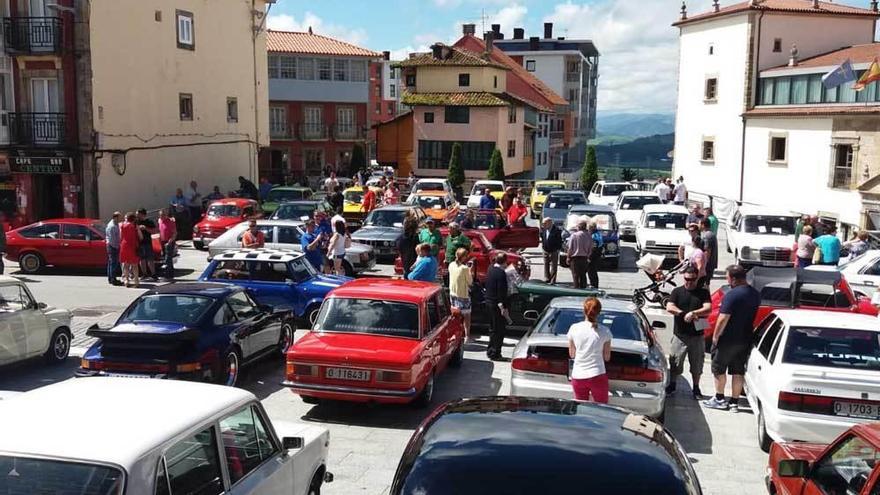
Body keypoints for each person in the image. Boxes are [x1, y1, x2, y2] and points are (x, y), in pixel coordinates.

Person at [703, 265, 761, 413]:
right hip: (745, 339)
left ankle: (720, 399)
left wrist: (715, 337)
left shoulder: (732, 295)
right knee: (738, 371)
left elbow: (723, 319)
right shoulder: (755, 294)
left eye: (727, 277)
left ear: (734, 279)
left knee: (718, 369)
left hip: (727, 340)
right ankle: (734, 402)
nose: (727, 280)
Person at [665, 266, 712, 399]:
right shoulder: (677, 291)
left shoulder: (703, 292)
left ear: (696, 278)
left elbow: (708, 308)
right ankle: (672, 384)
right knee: (675, 362)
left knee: (697, 364)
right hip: (680, 335)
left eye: (691, 279)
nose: (688, 282)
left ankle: (696, 388)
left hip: (697, 335)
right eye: (686, 279)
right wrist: (683, 313)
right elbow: (670, 306)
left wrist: (694, 313)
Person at [567, 297, 612, 403]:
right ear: (599, 312)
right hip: (597, 375)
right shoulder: (605, 331)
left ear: (584, 311)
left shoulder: (574, 328)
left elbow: (572, 354)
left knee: (581, 408)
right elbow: (607, 357)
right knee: (602, 408)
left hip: (578, 375)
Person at [484, 252, 510, 361]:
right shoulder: (501, 273)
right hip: (497, 305)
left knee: (492, 328)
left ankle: (490, 350)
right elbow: (501, 292)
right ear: (504, 262)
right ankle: (495, 353)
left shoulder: (490, 269)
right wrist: (504, 307)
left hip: (489, 302)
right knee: (499, 330)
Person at [448, 247, 474, 340]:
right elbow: (470, 282)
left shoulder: (451, 265)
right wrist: (470, 271)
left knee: (455, 316)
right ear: (463, 257)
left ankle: (454, 333)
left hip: (453, 293)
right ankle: (467, 335)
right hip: (463, 295)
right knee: (467, 316)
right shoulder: (465, 268)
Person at [567, 218, 593, 289]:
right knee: (583, 275)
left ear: (579, 227)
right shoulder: (589, 236)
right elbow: (590, 248)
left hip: (575, 259)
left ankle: (576, 290)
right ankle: (583, 290)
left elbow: (570, 248)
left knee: (575, 275)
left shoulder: (574, 235)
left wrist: (568, 257)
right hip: (584, 258)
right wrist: (588, 256)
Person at [119, 212, 141, 288]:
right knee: (135, 265)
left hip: (124, 245)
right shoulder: (134, 226)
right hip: (133, 245)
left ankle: (126, 280)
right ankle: (136, 281)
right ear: (133, 219)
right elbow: (141, 237)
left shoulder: (122, 225)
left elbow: (121, 236)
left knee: (125, 264)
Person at [136, 208, 158, 282]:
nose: (137, 215)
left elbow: (154, 231)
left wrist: (145, 228)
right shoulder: (136, 222)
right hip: (139, 243)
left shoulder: (149, 222)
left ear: (143, 214)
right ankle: (144, 274)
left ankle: (153, 274)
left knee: (150, 259)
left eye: (138, 214)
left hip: (147, 242)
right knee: (142, 259)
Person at [398, 212, 420, 279]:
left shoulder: (401, 238)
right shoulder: (415, 237)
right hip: (413, 264)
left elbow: (399, 249)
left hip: (407, 264)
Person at [540, 217, 562, 283]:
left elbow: (559, 241)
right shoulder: (544, 230)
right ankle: (547, 278)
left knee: (554, 266)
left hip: (554, 251)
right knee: (546, 264)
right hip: (545, 250)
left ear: (549, 223)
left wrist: (558, 249)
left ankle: (553, 280)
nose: (543, 225)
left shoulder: (556, 230)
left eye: (544, 223)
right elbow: (542, 237)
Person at [158, 208, 177, 281]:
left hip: (169, 241)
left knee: (168, 258)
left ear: (166, 215)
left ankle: (168, 275)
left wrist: (169, 242)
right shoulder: (160, 221)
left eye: (163, 215)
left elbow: (175, 233)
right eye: (160, 215)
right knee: (165, 258)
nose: (161, 216)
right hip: (162, 241)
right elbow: (160, 232)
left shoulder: (170, 221)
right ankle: (170, 274)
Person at [699, 218, 717, 288]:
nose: (698, 225)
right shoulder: (711, 234)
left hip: (708, 265)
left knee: (704, 285)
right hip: (711, 264)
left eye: (699, 223)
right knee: (706, 284)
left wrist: (704, 265)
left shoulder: (707, 236)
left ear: (703, 225)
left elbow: (707, 251)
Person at [105, 212, 122, 286]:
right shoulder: (111, 226)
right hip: (112, 246)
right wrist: (116, 246)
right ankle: (113, 279)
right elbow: (112, 239)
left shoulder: (115, 224)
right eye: (119, 217)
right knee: (113, 263)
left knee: (111, 263)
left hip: (113, 245)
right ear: (115, 217)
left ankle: (111, 278)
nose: (120, 219)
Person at [587, 221, 603, 289]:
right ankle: (594, 285)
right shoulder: (598, 234)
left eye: (588, 228)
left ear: (591, 228)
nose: (588, 230)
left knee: (592, 272)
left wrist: (589, 258)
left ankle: (594, 286)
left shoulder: (594, 236)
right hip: (597, 255)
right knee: (593, 272)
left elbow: (594, 248)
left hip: (593, 257)